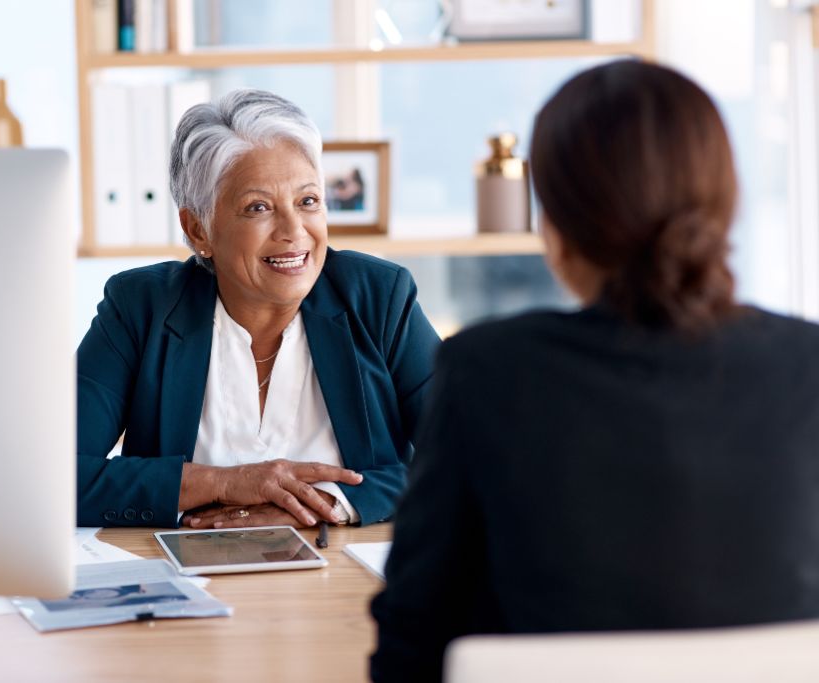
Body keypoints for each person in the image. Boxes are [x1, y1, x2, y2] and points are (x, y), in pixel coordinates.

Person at [370, 60, 819, 682]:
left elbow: (413, 643)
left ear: (555, 228)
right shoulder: (807, 364)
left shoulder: (488, 371)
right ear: (725, 202)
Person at [76, 89, 441, 531]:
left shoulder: (379, 297)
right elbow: (56, 476)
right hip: (188, 580)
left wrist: (324, 500)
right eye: (258, 208)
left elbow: (469, 455)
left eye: (308, 202)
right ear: (198, 229)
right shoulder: (140, 307)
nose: (294, 231)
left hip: (343, 577)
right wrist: (227, 483)